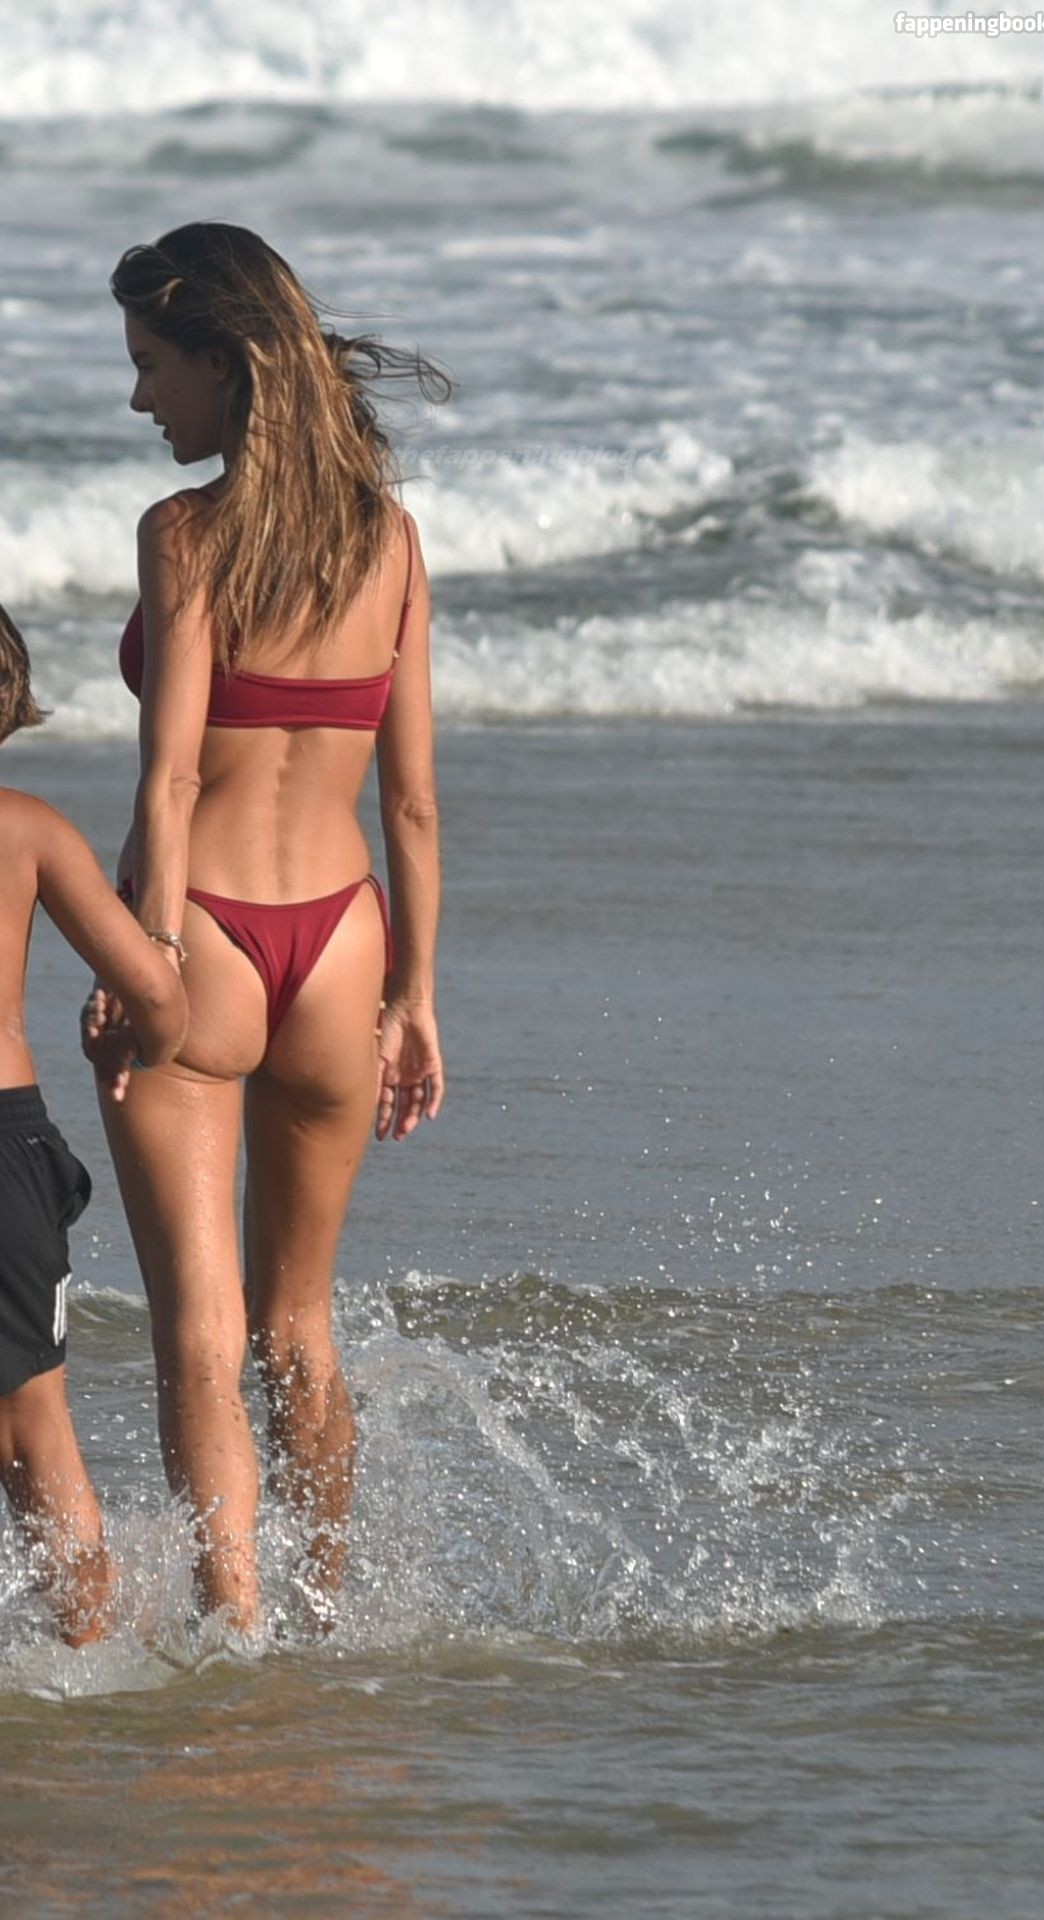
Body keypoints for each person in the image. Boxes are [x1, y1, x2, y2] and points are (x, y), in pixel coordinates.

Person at [86, 222, 447, 1632]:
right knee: (299, 1327)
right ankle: (323, 1615)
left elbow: (171, 779)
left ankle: (233, 1630)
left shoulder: (185, 534)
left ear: (225, 363)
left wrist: (152, 959)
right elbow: (412, 801)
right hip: (346, 944)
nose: (140, 398)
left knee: (201, 1328)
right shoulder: (387, 540)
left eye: (151, 365)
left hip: (207, 942)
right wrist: (415, 994)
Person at [0, 602, 187, 1645]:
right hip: (3, 1144)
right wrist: (141, 1046)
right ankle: (84, 1663)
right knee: (33, 1429)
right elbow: (155, 991)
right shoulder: (29, 829)